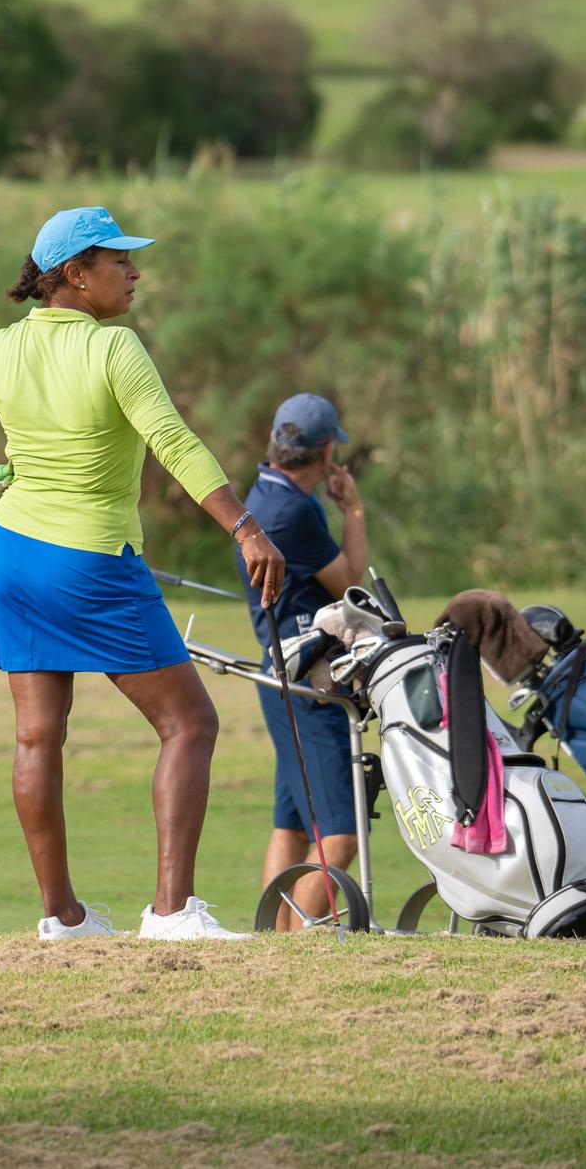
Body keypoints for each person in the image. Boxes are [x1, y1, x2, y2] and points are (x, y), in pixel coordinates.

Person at [0, 206, 286, 942]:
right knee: (189, 722)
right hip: (91, 562)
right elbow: (174, 442)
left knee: (37, 736)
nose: (134, 272)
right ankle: (169, 912)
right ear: (75, 275)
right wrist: (246, 526)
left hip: (14, 557)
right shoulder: (114, 349)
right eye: (118, 261)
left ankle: (62, 916)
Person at [232, 393, 368, 930]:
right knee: (340, 836)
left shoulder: (263, 497)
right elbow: (351, 584)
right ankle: (299, 946)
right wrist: (353, 511)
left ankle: (275, 943)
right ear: (328, 448)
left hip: (279, 678)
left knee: (291, 825)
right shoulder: (293, 512)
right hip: (308, 683)